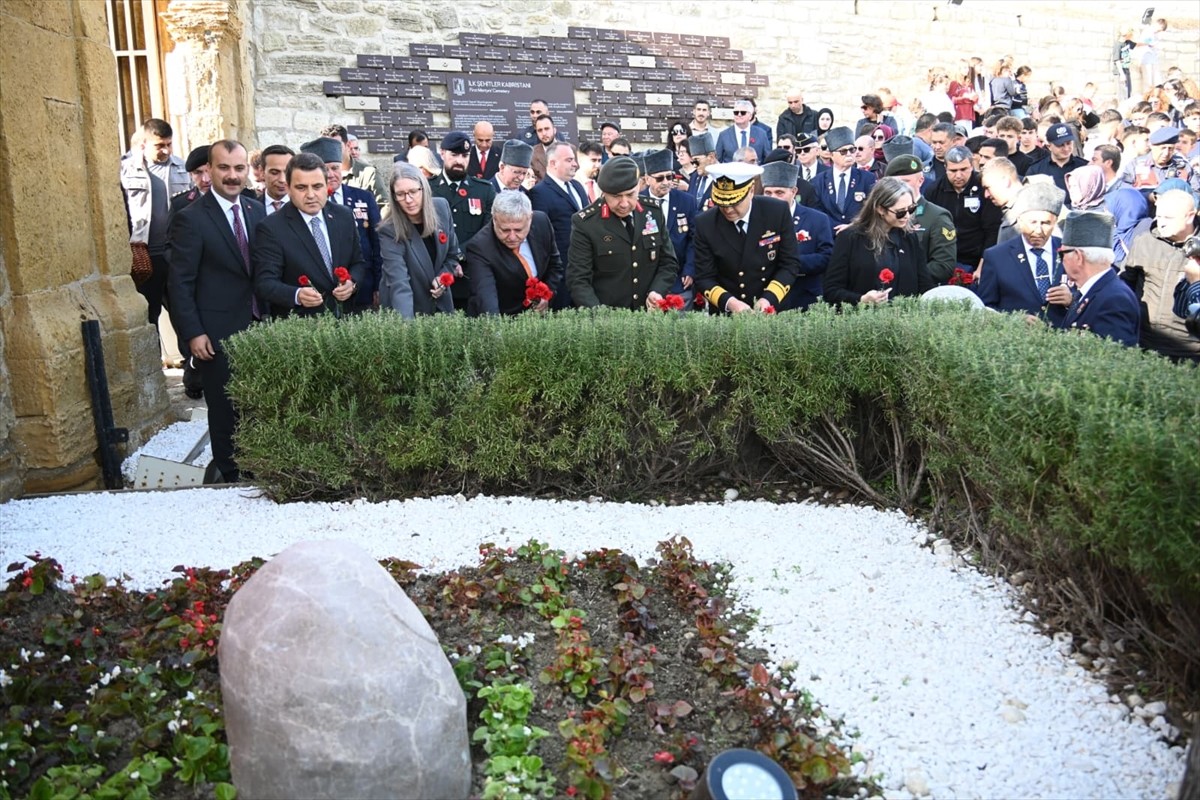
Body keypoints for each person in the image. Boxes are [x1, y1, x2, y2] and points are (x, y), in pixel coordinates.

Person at [167, 140, 265, 483]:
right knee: (225, 408)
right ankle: (231, 474)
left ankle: (259, 465)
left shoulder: (256, 210)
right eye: (224, 168)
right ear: (209, 170)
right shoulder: (190, 219)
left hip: (259, 326)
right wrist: (192, 332)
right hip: (216, 331)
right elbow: (179, 283)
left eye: (239, 168)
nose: (233, 176)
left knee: (258, 402)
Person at [251, 152, 366, 319]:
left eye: (317, 186)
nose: (311, 195)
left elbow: (358, 262)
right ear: (289, 188)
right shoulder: (271, 227)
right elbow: (265, 283)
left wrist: (352, 283)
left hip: (345, 323)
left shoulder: (344, 216)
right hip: (300, 329)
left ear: (327, 185)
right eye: (301, 187)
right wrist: (297, 295)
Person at [566, 156, 678, 310]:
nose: (624, 203)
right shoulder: (586, 223)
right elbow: (578, 280)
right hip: (609, 321)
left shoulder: (653, 212)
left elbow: (668, 262)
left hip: (649, 316)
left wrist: (657, 291)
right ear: (604, 193)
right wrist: (600, 316)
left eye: (631, 194)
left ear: (639, 186)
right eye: (616, 196)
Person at [690, 162, 799, 314]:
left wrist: (769, 298)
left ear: (751, 191)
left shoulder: (776, 211)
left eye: (735, 202)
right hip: (728, 311)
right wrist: (731, 303)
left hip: (772, 307)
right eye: (721, 203)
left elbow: (789, 264)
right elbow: (704, 277)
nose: (728, 209)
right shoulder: (706, 223)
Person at [119, 118, 190, 327]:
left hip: (176, 252)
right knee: (150, 315)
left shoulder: (183, 168)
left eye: (169, 144)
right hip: (145, 255)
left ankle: (190, 359)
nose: (166, 150)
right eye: (160, 145)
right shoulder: (126, 169)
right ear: (144, 144)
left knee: (182, 312)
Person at [823, 177, 934, 306]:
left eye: (911, 209)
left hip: (904, 318)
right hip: (862, 320)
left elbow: (925, 284)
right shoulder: (850, 238)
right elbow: (831, 291)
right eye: (900, 212)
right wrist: (861, 300)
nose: (907, 216)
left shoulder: (909, 237)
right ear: (880, 209)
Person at [302, 137, 382, 314]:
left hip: (362, 287)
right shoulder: (307, 203)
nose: (331, 174)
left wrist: (378, 285)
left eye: (335, 168)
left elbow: (376, 243)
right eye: (324, 169)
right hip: (321, 294)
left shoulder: (363, 198)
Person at [1120, 189, 1200, 360]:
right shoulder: (1145, 241)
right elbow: (1125, 284)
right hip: (1145, 343)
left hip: (1190, 351)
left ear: (1190, 216)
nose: (1161, 223)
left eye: (1168, 218)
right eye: (1159, 216)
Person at [376, 162, 459, 318]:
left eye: (413, 191)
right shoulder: (389, 230)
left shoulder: (441, 208)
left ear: (424, 189)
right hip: (408, 307)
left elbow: (452, 255)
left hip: (440, 305)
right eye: (400, 194)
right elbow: (399, 283)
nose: (408, 200)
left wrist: (442, 278)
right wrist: (408, 332)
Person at [977, 182, 1071, 320]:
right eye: (1032, 222)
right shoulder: (997, 257)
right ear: (1020, 221)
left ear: (1055, 221)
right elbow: (986, 308)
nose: (1038, 231)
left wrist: (1071, 300)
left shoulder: (1069, 253)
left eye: (1045, 223)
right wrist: (1013, 320)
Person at [464, 189, 561, 316]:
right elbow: (485, 297)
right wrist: (497, 332)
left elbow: (554, 265)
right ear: (494, 220)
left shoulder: (541, 222)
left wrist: (547, 294)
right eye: (505, 230)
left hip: (538, 317)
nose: (512, 237)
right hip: (504, 317)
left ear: (530, 218)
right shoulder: (480, 247)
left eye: (518, 230)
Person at [1050, 211, 1140, 346]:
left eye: (1062, 254)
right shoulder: (1096, 290)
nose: (1060, 261)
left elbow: (1113, 359)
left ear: (1078, 257)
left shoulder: (1114, 300)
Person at [429, 130, 496, 310]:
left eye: (465, 155)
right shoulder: (427, 189)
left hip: (471, 274)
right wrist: (448, 263)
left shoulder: (484, 190)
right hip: (436, 276)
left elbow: (488, 230)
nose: (460, 160)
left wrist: (459, 256)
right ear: (442, 153)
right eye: (454, 154)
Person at [759, 160, 832, 311]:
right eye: (768, 193)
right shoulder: (756, 220)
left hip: (804, 297)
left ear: (794, 191)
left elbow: (827, 257)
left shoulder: (817, 219)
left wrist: (789, 263)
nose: (773, 198)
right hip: (768, 298)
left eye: (779, 193)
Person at [529, 141, 588, 308]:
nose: (575, 164)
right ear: (553, 163)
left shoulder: (577, 186)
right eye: (569, 160)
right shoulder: (539, 193)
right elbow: (541, 238)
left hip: (583, 270)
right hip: (561, 274)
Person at [923, 145, 1000, 270]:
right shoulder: (934, 190)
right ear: (945, 168)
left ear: (972, 166)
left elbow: (992, 230)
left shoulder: (984, 189)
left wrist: (983, 265)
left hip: (977, 259)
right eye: (953, 171)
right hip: (943, 258)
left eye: (964, 169)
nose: (958, 175)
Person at [884, 154, 958, 284]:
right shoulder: (882, 213)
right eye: (893, 183)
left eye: (905, 182)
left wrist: (904, 276)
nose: (899, 187)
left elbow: (943, 266)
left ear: (920, 181)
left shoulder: (936, 217)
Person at [641, 148, 699, 306]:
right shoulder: (637, 202)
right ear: (647, 179)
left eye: (670, 176)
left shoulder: (687, 201)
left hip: (679, 279)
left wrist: (690, 268)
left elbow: (694, 239)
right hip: (647, 280)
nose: (666, 182)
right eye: (660, 178)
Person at [814, 126, 878, 232]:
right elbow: (817, 211)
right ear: (831, 155)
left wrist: (854, 225)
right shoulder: (818, 181)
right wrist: (836, 228)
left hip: (858, 235)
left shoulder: (867, 178)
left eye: (852, 150)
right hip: (829, 237)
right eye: (843, 151)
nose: (849, 154)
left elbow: (872, 208)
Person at [716, 99, 770, 164]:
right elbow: (718, 160)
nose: (739, 115)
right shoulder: (724, 135)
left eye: (743, 112)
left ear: (750, 116)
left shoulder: (761, 134)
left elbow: (767, 159)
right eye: (736, 113)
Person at [687, 133, 717, 209]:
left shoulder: (724, 178)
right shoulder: (694, 176)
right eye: (693, 162)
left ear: (711, 157)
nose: (694, 165)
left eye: (697, 161)